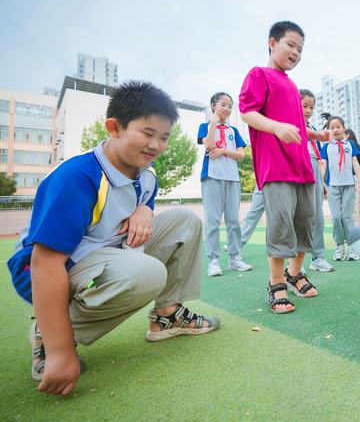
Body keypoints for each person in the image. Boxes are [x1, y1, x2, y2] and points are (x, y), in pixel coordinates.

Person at [7, 81, 219, 396]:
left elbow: (143, 198)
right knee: (147, 273)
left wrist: (144, 211)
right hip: (47, 268)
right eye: (147, 134)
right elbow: (44, 263)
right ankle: (48, 335)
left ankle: (168, 316)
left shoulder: (146, 172)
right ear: (114, 128)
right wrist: (62, 351)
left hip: (106, 249)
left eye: (164, 137)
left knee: (185, 220)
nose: (156, 145)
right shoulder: (78, 177)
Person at [239, 21, 330, 314]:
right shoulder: (259, 74)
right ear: (272, 43)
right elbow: (248, 112)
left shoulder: (291, 86)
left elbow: (297, 124)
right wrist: (276, 127)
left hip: (302, 164)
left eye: (300, 49)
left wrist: (314, 135)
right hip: (274, 165)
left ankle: (295, 273)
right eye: (290, 44)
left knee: (307, 219)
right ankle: (276, 282)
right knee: (280, 222)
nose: (295, 52)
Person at [198, 92, 252, 276]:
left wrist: (222, 151)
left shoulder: (234, 131)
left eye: (230, 106)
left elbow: (241, 154)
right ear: (213, 106)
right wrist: (213, 122)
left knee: (232, 221)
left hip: (232, 180)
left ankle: (234, 258)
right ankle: (213, 261)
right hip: (212, 177)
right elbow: (208, 144)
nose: (227, 109)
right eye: (223, 105)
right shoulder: (205, 126)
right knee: (213, 220)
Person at [322, 116, 360, 261]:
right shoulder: (326, 146)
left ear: (343, 129)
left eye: (338, 127)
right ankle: (339, 246)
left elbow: (355, 163)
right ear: (329, 130)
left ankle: (352, 247)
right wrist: (321, 182)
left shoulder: (350, 145)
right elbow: (323, 165)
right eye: (332, 127)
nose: (335, 130)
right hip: (332, 186)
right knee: (335, 218)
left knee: (347, 218)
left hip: (348, 185)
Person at [301, 89, 335, 272]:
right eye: (304, 105)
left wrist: (321, 181)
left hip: (314, 168)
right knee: (299, 216)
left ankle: (318, 257)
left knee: (318, 216)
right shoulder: (290, 127)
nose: (308, 110)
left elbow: (318, 157)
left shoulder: (313, 130)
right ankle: (294, 264)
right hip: (297, 168)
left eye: (311, 107)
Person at [344, 128, 360, 228]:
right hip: (357, 177)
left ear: (347, 135)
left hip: (351, 177)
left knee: (352, 206)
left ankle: (353, 228)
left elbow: (354, 163)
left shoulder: (349, 146)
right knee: (359, 206)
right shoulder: (357, 146)